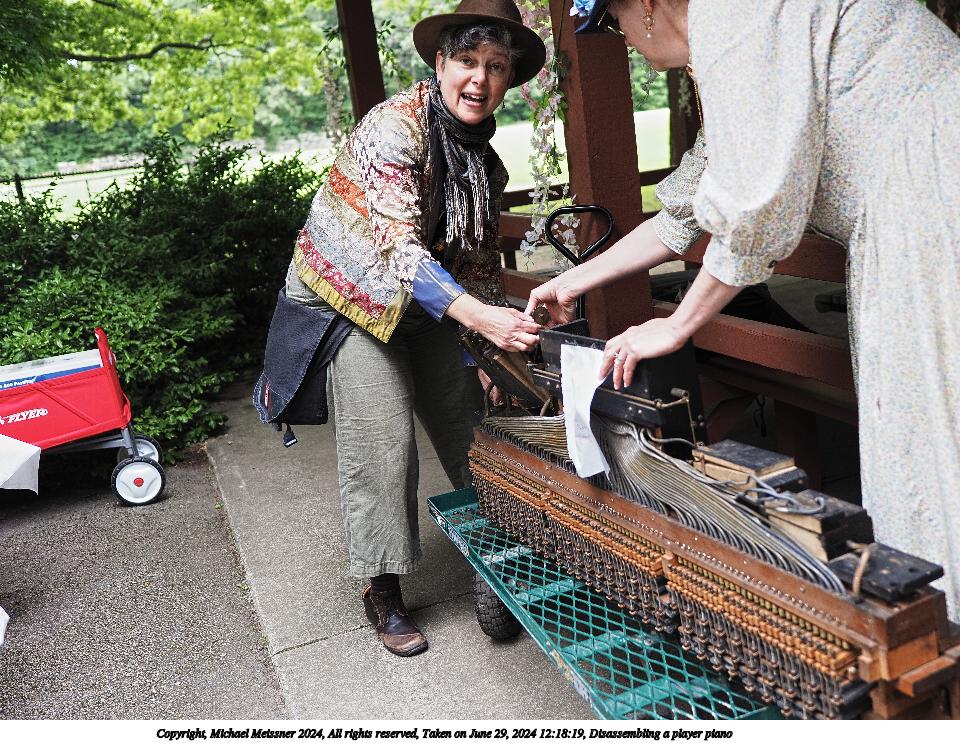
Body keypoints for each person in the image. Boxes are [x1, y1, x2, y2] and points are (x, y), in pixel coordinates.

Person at [529, 0, 960, 619]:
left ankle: (936, 633)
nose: (622, 42)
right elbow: (680, 218)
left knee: (931, 436)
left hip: (929, 200)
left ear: (645, 6)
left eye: (612, 22)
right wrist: (572, 280)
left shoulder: (733, 16)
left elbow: (755, 211)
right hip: (910, 208)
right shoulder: (733, 44)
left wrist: (677, 324)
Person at [261, 0, 546, 656]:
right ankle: (381, 586)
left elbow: (476, 263)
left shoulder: (484, 161)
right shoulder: (395, 128)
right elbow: (397, 246)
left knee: (469, 422)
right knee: (384, 437)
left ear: (508, 79)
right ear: (440, 64)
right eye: (467, 61)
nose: (479, 78)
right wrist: (480, 318)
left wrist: (489, 352)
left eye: (496, 66)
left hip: (426, 301)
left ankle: (500, 551)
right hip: (352, 298)